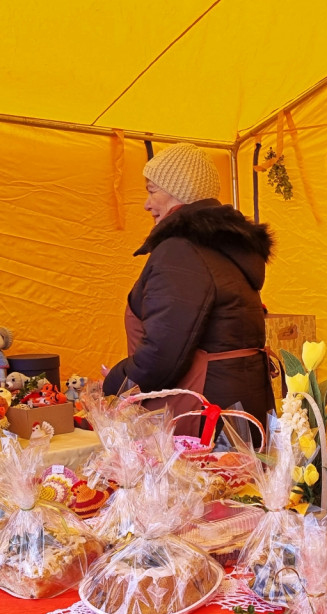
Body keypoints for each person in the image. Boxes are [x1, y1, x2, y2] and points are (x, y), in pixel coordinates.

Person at [103, 143, 275, 439]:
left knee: (209, 483)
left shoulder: (181, 250)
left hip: (203, 411)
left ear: (179, 191)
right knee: (242, 484)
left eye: (152, 190)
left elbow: (165, 351)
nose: (146, 204)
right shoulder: (221, 247)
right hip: (239, 401)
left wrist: (116, 382)